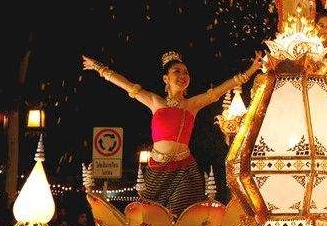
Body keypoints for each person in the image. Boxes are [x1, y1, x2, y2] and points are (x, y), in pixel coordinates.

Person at [83, 50, 263, 216]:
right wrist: (98, 67)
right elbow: (125, 84)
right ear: (165, 79)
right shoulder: (155, 102)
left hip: (185, 169)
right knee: (153, 218)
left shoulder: (192, 105)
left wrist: (252, 69)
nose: (183, 76)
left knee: (182, 217)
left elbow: (222, 88)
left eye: (186, 73)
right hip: (156, 170)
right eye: (177, 71)